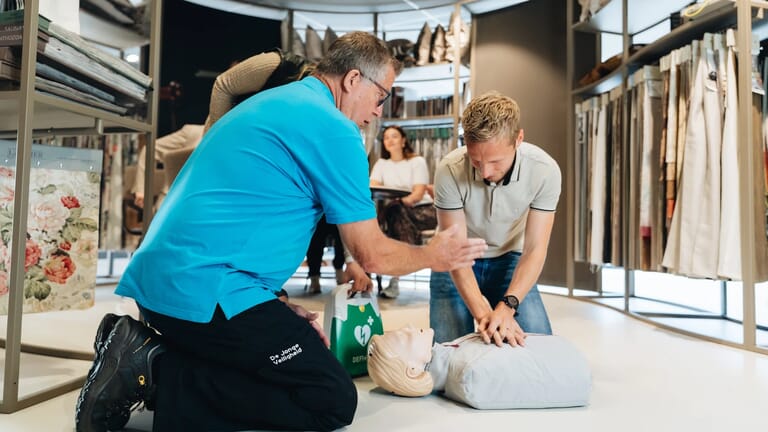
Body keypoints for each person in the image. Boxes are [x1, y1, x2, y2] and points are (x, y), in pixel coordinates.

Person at [75, 31, 487, 432]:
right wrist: (437, 255)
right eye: (382, 97)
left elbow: (238, 217)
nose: (380, 111)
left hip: (164, 289)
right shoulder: (334, 127)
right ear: (353, 79)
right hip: (204, 291)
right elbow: (372, 255)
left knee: (278, 353)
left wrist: (271, 306)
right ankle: (151, 367)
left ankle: (139, 347)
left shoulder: (266, 103)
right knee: (330, 398)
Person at [429, 91, 561, 346]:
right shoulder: (449, 169)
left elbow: (535, 249)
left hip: (510, 258)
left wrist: (507, 306)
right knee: (447, 357)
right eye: (476, 161)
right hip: (456, 259)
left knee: (539, 349)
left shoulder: (545, 171)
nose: (486, 172)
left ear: (518, 139)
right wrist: (485, 315)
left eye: (495, 161)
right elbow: (455, 249)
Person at [370, 125, 437, 298]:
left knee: (393, 211)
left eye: (394, 136)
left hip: (423, 211)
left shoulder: (417, 161)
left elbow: (417, 194)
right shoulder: (382, 164)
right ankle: (401, 269)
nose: (390, 140)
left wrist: (399, 201)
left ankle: (395, 276)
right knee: (394, 211)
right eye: (386, 138)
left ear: (403, 140)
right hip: (399, 213)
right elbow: (373, 187)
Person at [305, 215, 345, 294]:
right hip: (318, 211)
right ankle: (314, 277)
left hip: (337, 210)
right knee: (315, 244)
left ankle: (339, 271)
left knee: (342, 241)